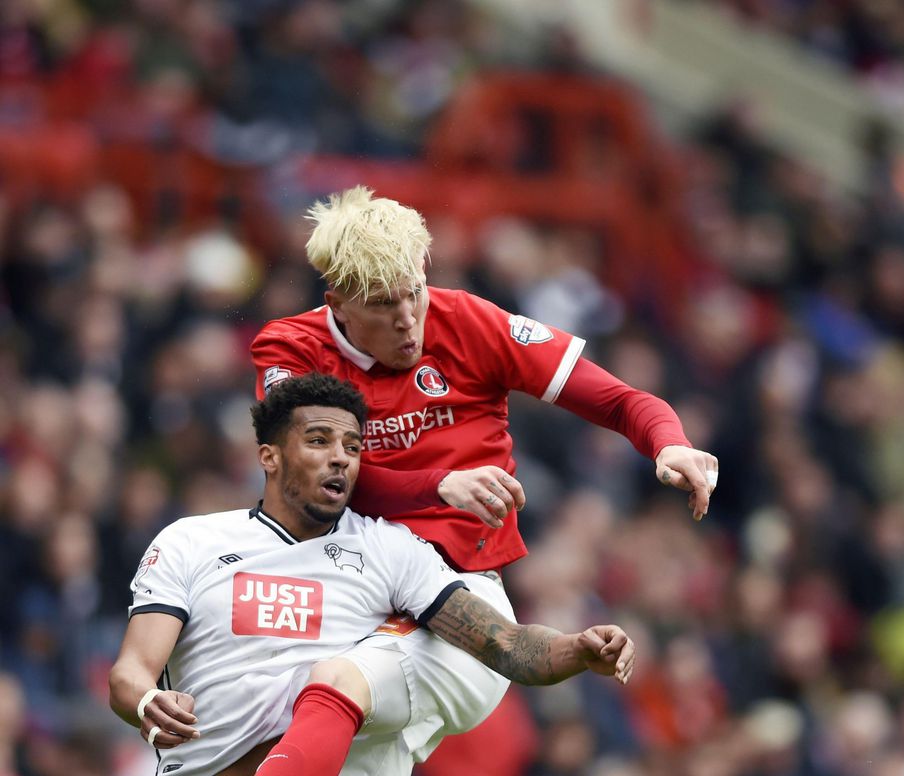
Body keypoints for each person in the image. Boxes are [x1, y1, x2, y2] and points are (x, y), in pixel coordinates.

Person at [248, 186, 716, 767]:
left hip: (460, 604)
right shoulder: (291, 349)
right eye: (383, 305)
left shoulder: (470, 323)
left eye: (414, 294)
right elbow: (307, 479)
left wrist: (669, 445)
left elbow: (621, 401)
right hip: (340, 587)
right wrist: (436, 484)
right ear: (338, 301)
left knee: (335, 685)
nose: (407, 321)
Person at [108, 373, 635, 776]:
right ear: (269, 456)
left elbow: (505, 645)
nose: (340, 459)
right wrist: (150, 702)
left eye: (353, 447)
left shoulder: (389, 551)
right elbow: (130, 674)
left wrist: (578, 650)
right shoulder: (192, 541)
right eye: (318, 441)